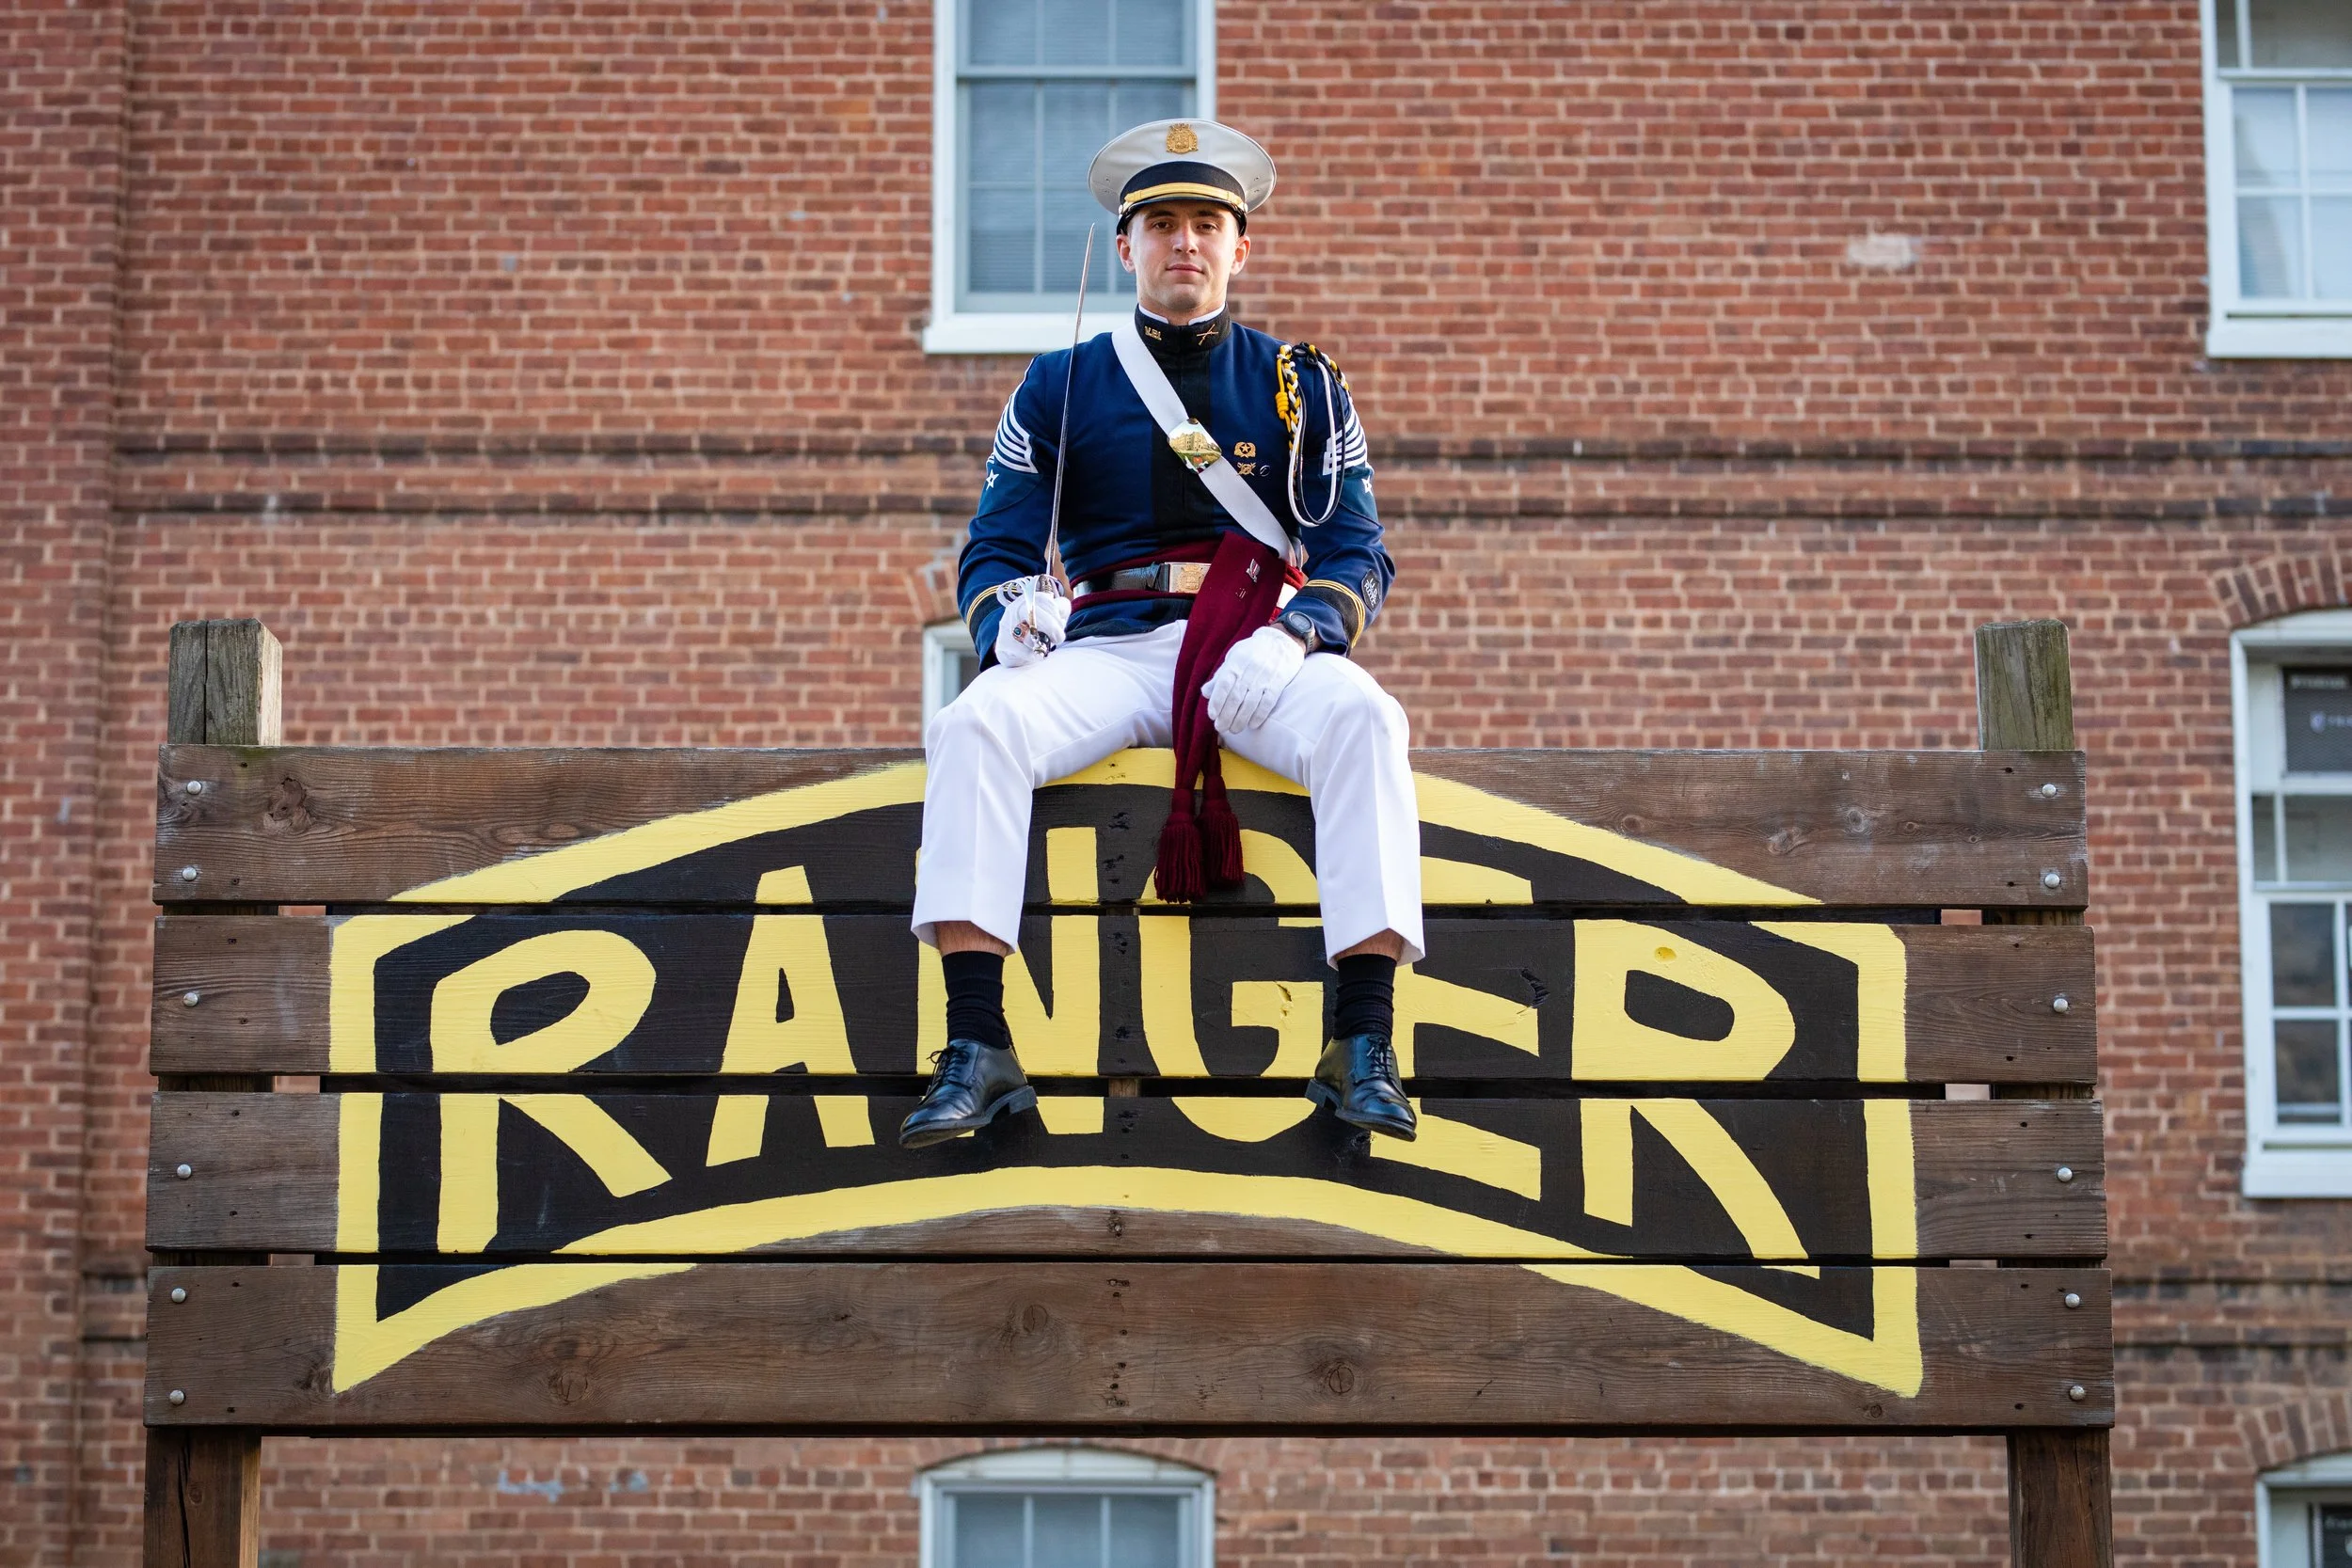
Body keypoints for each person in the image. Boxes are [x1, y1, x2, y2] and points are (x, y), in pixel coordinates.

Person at [900, 119, 1422, 1149]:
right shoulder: (1056, 383)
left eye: (1207, 223)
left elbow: (1360, 551)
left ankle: (1360, 1040)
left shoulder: (1302, 386)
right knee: (973, 725)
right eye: (1161, 223)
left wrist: (1299, 636)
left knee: (1366, 716)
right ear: (1126, 246)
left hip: (1249, 651)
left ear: (1241, 247)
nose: (1185, 241)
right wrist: (1008, 621)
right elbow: (994, 544)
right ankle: (976, 1045)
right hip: (1104, 648)